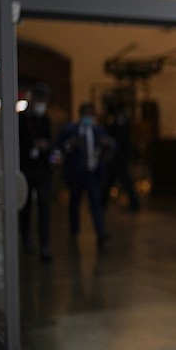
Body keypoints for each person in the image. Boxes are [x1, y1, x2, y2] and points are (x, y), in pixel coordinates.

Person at [54, 102, 114, 249]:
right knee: (74, 203)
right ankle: (74, 231)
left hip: (92, 173)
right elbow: (58, 147)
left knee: (95, 203)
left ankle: (100, 233)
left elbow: (112, 144)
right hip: (75, 174)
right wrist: (70, 145)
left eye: (91, 115)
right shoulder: (70, 130)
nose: (89, 118)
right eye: (86, 115)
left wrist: (107, 144)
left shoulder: (98, 131)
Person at [18, 82, 54, 261]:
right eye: (40, 100)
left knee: (44, 207)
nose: (42, 104)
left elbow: (50, 141)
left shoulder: (45, 119)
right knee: (25, 208)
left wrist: (47, 148)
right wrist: (32, 145)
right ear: (32, 99)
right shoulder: (20, 120)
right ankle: (26, 239)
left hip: (42, 170)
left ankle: (45, 244)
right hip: (25, 169)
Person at [101, 102, 140, 212]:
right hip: (118, 155)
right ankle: (102, 202)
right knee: (110, 179)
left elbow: (120, 138)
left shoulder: (119, 119)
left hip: (119, 155)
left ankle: (134, 203)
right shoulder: (118, 118)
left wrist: (113, 151)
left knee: (123, 179)